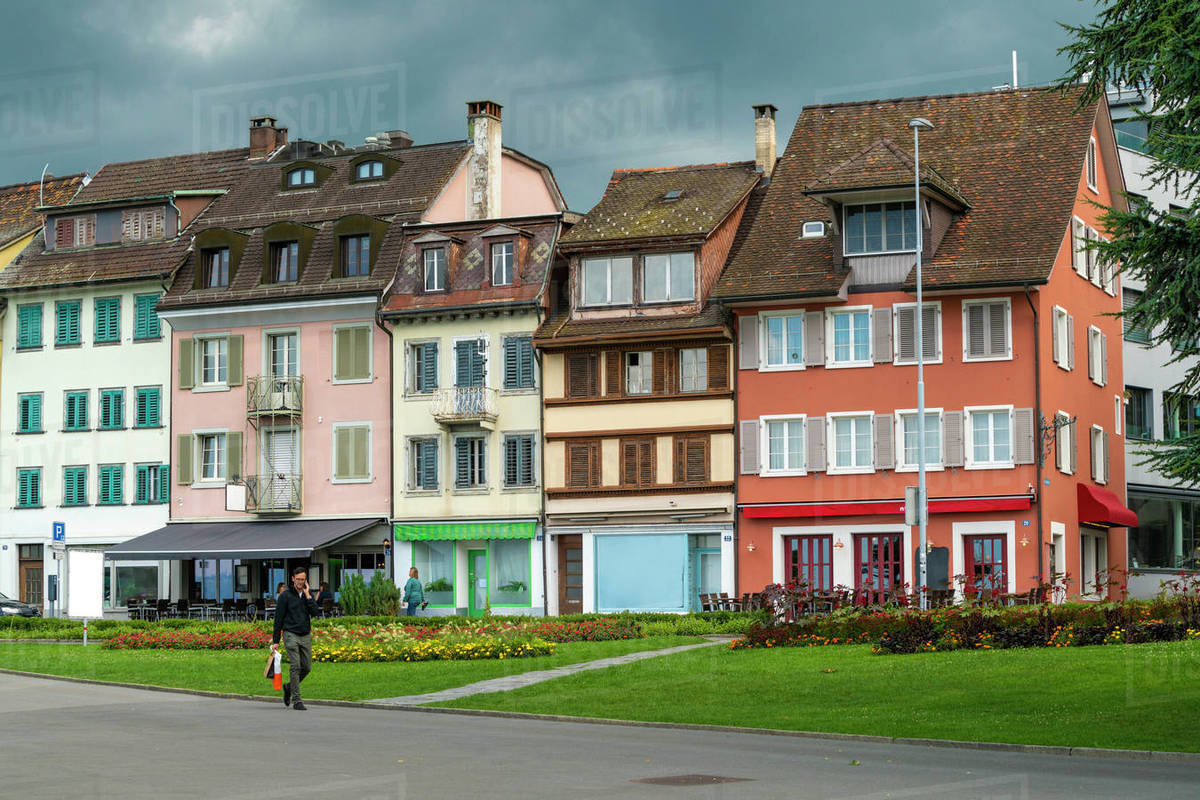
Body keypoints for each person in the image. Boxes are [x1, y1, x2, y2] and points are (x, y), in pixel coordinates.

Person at [271, 566, 321, 710]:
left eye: (303, 579)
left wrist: (308, 595)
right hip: (290, 634)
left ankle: (288, 687)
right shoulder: (285, 596)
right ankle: (297, 700)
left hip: (305, 634)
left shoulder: (307, 595)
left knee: (307, 667)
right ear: (293, 579)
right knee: (296, 666)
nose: (300, 582)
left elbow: (316, 613)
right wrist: (276, 641)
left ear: (306, 580)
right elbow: (278, 619)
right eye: (298, 579)